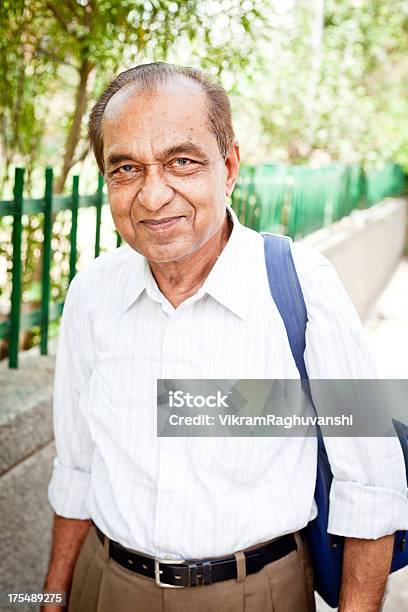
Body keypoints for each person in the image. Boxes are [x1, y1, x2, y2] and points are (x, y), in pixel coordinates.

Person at [43, 62, 408, 612]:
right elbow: (76, 468)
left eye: (182, 162)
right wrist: (52, 599)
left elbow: (373, 486)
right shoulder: (91, 294)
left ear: (229, 165)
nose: (153, 195)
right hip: (107, 586)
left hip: (256, 594)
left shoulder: (303, 286)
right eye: (126, 169)